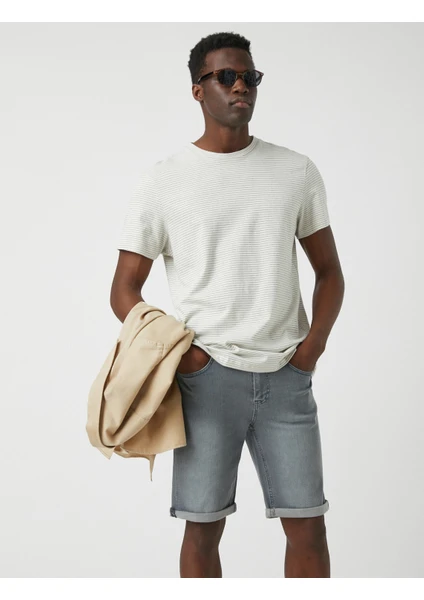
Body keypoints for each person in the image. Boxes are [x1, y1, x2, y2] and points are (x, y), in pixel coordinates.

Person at [110, 31, 345, 578]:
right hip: (206, 380)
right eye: (226, 77)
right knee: (201, 528)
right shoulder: (163, 180)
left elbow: (330, 272)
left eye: (250, 77)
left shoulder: (295, 171)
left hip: (287, 376)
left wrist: (311, 349)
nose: (241, 87)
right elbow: (124, 291)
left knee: (309, 527)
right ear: (198, 89)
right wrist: (187, 357)